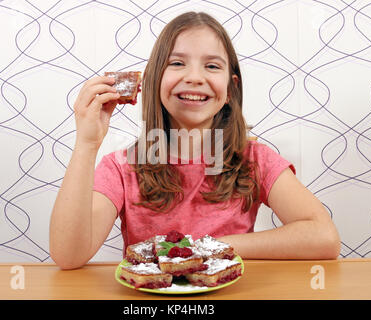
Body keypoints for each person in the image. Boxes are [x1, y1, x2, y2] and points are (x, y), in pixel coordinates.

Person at [49, 11, 341, 270]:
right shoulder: (123, 168)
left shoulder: (255, 160)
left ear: (230, 89)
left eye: (212, 67)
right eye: (177, 63)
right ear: (152, 80)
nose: (194, 77)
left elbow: (324, 237)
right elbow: (68, 256)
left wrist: (207, 248)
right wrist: (87, 144)